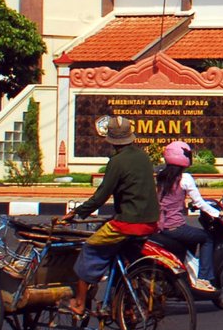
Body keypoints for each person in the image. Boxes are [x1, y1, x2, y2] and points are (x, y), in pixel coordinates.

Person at [58, 116, 159, 318]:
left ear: (112, 140)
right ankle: (123, 305)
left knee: (90, 249)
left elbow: (101, 195)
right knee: (122, 259)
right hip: (150, 222)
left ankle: (79, 303)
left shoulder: (116, 162)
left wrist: (77, 213)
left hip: (128, 223)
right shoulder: (143, 157)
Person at [155, 140, 219, 292]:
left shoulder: (161, 176)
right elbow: (199, 202)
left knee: (191, 240)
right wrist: (218, 213)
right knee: (206, 238)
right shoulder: (185, 178)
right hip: (175, 227)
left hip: (160, 227)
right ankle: (203, 278)